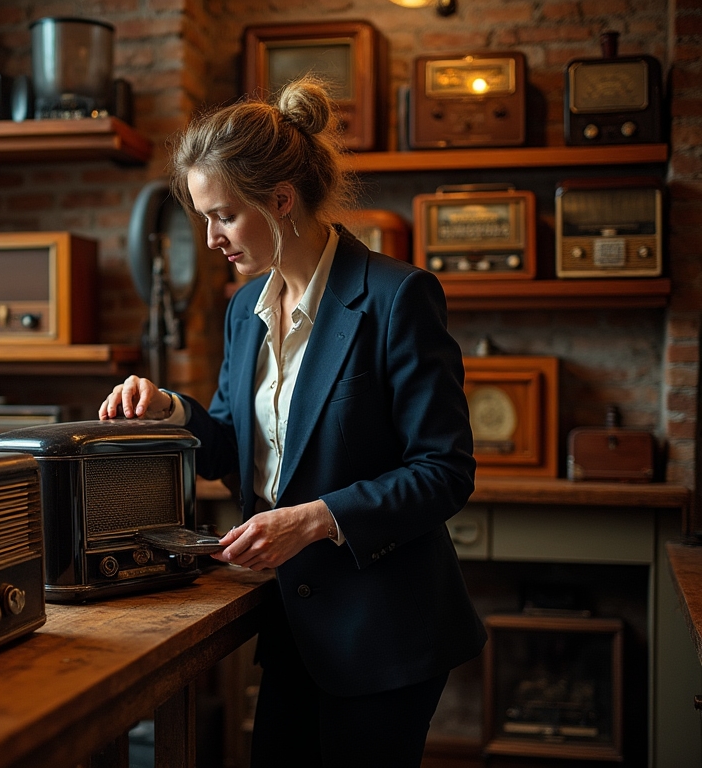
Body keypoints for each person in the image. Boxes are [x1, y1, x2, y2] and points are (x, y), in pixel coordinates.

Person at [99, 76, 486, 767]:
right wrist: (170, 410)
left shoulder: (398, 297)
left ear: (281, 201)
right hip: (291, 631)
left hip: (383, 638)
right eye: (203, 217)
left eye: (223, 216)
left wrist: (312, 519)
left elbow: (444, 472)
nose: (211, 238)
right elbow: (232, 447)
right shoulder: (244, 311)